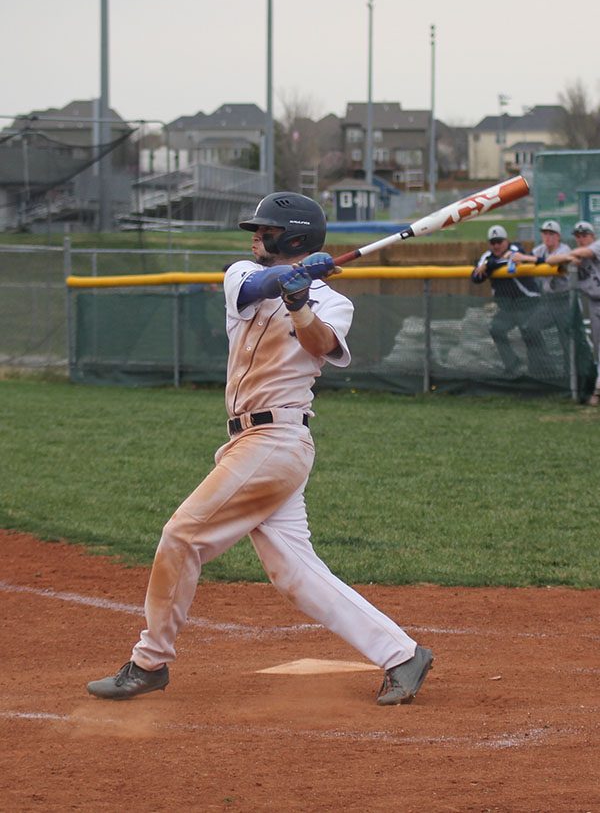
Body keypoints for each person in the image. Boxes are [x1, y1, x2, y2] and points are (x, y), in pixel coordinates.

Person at [87, 192, 433, 706]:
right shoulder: (241, 274)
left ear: (293, 237)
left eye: (266, 231)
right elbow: (259, 284)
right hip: (245, 441)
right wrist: (289, 282)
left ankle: (149, 662)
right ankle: (402, 654)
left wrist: (300, 302)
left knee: (182, 535)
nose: (255, 237)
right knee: (295, 572)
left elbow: (319, 347)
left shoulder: (335, 302)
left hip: (278, 440)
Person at [471, 224, 549, 376]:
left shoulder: (515, 249)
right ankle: (512, 364)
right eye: (493, 242)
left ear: (506, 241)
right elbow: (475, 277)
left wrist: (489, 266)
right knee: (496, 329)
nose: (496, 245)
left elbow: (509, 262)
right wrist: (486, 266)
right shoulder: (486, 256)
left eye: (499, 241)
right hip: (508, 306)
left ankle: (543, 368)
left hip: (528, 301)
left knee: (530, 332)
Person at [545, 220, 600, 406]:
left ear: (592, 236)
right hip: (594, 304)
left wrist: (569, 255)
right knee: (598, 349)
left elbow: (587, 252)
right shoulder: (574, 256)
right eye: (578, 236)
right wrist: (568, 259)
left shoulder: (597, 245)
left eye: (585, 235)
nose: (582, 239)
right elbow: (549, 260)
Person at [509, 220, 572, 373]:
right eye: (545, 233)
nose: (548, 237)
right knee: (530, 328)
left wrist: (526, 258)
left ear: (558, 236)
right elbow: (525, 257)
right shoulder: (540, 249)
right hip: (549, 301)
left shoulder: (565, 248)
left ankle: (570, 375)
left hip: (566, 300)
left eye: (551, 234)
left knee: (567, 339)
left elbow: (552, 262)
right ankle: (544, 367)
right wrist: (515, 256)